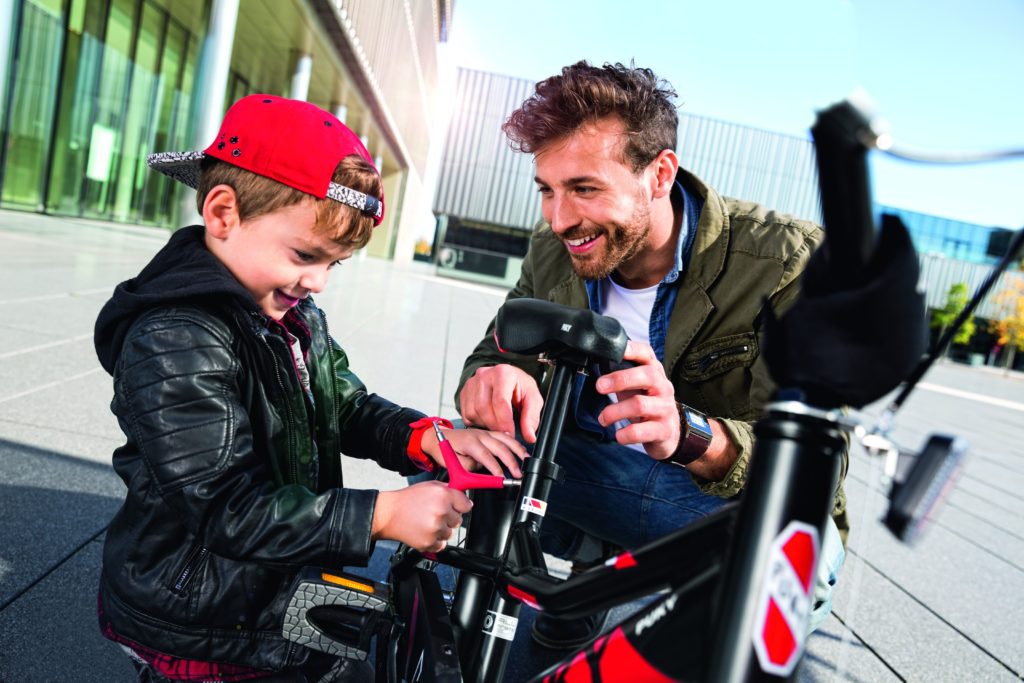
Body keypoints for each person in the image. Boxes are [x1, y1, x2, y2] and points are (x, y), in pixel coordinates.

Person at [93, 94, 527, 682]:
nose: (318, 281)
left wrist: (424, 437)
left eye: (335, 265)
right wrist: (379, 514)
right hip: (203, 612)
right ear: (223, 214)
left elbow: (341, 403)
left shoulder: (284, 311)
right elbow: (226, 508)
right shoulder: (174, 338)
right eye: (305, 255)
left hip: (264, 581)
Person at [455, 62, 849, 649]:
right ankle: (579, 588)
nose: (560, 219)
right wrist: (487, 380)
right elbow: (494, 350)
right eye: (547, 190)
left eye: (585, 188)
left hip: (699, 500)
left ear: (659, 174)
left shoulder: (790, 263)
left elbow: (818, 461)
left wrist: (689, 435)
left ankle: (615, 601)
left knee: (798, 564)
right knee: (455, 462)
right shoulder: (553, 248)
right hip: (585, 474)